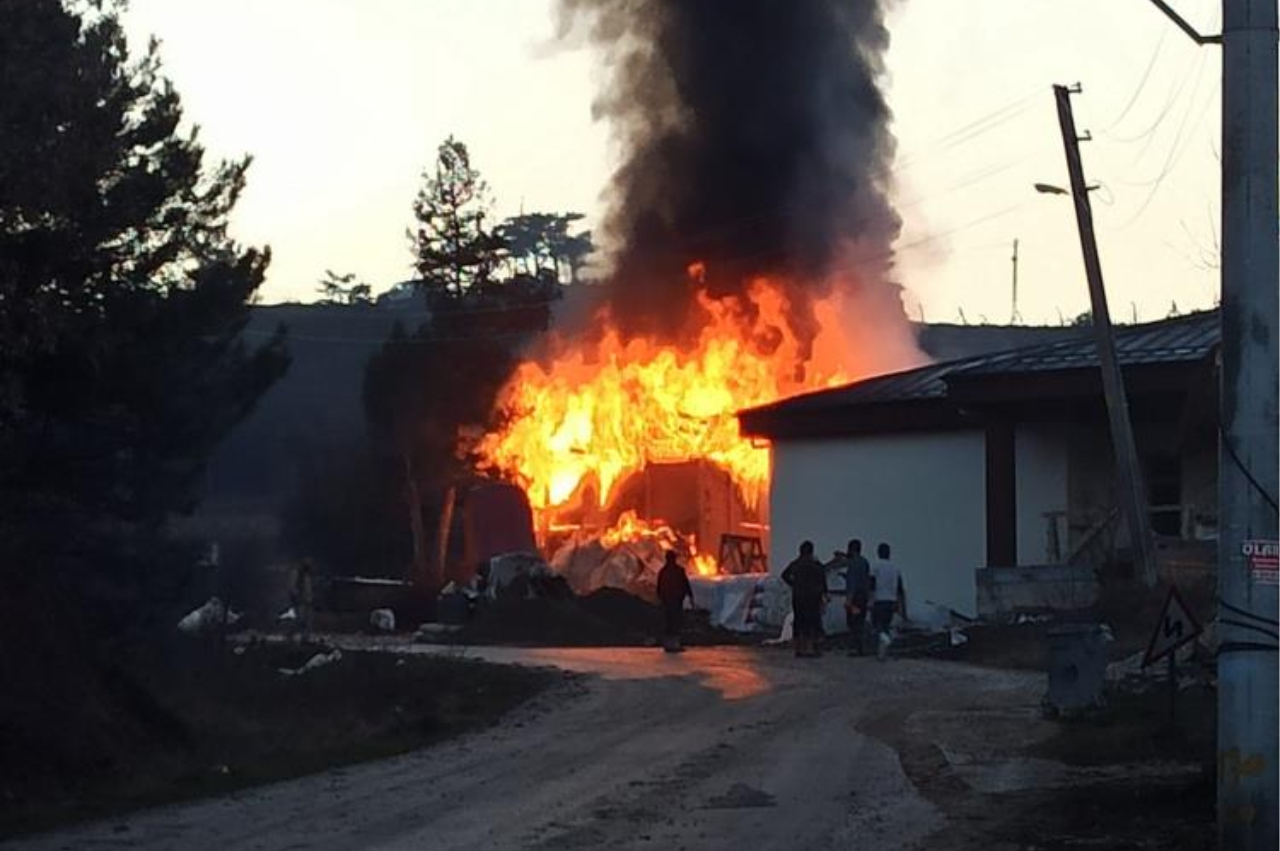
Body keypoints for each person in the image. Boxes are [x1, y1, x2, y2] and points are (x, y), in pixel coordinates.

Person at [782, 541, 828, 657]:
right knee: (813, 622)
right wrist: (824, 593)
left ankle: (799, 649)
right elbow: (823, 580)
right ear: (811, 551)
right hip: (813, 597)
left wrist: (793, 584)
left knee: (799, 621)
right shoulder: (816, 565)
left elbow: (784, 575)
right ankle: (811, 649)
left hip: (798, 596)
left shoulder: (796, 564)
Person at [869, 542, 904, 661]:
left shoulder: (875, 566)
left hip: (879, 600)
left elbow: (872, 585)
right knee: (886, 626)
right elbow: (900, 589)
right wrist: (899, 604)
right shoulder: (896, 568)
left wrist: (870, 600)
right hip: (891, 601)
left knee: (877, 626)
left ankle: (881, 652)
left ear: (878, 553)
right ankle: (883, 651)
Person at [656, 550, 693, 653]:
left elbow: (659, 587)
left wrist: (660, 598)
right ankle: (674, 645)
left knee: (669, 622)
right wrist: (690, 595)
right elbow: (685, 584)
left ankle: (669, 645)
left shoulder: (663, 571)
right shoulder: (679, 571)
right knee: (675, 622)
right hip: (675, 600)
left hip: (668, 600)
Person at [843, 539, 872, 656]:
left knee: (852, 622)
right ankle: (860, 648)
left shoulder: (852, 563)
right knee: (860, 622)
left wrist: (848, 600)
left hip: (855, 597)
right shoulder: (865, 562)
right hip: (863, 596)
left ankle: (856, 648)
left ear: (852, 549)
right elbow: (867, 581)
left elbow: (852, 583)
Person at [290, 557, 315, 639]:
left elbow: (310, 588)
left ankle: (305, 638)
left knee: (308, 621)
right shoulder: (297, 573)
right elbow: (292, 587)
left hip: (308, 601)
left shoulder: (308, 574)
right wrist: (297, 597)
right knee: (300, 620)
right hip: (300, 601)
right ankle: (290, 634)